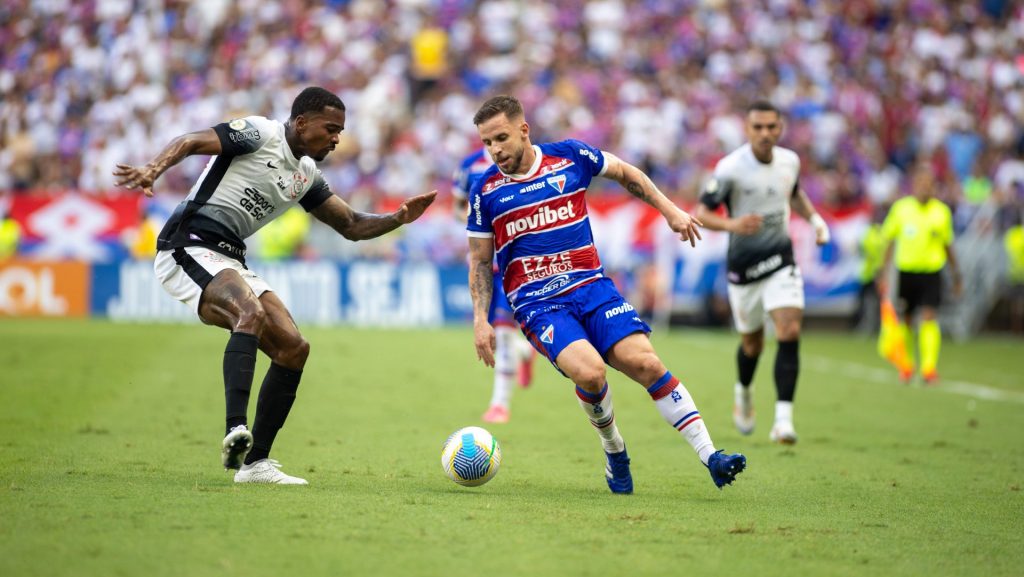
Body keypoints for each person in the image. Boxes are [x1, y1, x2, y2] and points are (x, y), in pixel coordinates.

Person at [113, 86, 436, 484]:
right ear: (301, 123)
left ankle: (255, 464)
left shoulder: (305, 175)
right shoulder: (259, 133)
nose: (337, 138)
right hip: (188, 243)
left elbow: (351, 226)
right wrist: (153, 168)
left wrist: (398, 218)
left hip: (230, 256)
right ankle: (235, 430)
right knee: (249, 312)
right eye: (331, 129)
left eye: (340, 131)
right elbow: (192, 140)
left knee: (293, 348)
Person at [466, 95, 745, 494]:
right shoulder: (486, 191)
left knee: (645, 362)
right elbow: (479, 263)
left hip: (593, 287)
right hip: (539, 305)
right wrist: (481, 321)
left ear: (524, 130)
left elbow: (626, 173)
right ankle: (615, 451)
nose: (495, 150)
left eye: (501, 138)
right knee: (591, 373)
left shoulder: (570, 156)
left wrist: (670, 210)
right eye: (487, 143)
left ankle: (711, 456)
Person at [695, 100, 831, 445]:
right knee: (752, 344)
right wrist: (733, 224)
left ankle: (783, 421)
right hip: (744, 268)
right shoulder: (730, 168)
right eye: (758, 127)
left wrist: (814, 219)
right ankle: (743, 392)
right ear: (747, 129)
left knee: (789, 328)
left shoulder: (790, 161)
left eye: (772, 127)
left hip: (780, 260)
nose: (766, 134)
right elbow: (702, 213)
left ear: (780, 128)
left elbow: (795, 194)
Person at [452, 146, 536, 424]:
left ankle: (500, 404)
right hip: (483, 262)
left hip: (514, 261)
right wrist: (477, 219)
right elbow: (457, 207)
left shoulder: (525, 162)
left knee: (502, 331)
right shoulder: (470, 166)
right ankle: (525, 351)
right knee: (494, 334)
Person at [877, 161, 962, 384]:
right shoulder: (901, 209)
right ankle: (906, 365)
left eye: (929, 184)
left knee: (928, 317)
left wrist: (956, 274)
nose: (925, 187)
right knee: (906, 320)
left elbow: (948, 245)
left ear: (934, 186)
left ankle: (928, 368)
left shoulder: (941, 212)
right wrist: (882, 272)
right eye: (921, 183)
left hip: (931, 272)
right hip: (906, 272)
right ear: (913, 185)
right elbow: (889, 242)